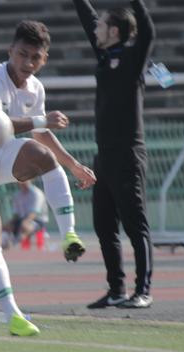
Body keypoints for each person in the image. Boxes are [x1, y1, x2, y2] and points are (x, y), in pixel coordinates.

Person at [0, 20, 96, 336]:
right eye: (22, 54)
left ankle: (69, 235)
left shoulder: (35, 89)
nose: (27, 63)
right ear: (10, 51)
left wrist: (73, 166)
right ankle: (13, 314)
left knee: (41, 155)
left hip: (1, 155)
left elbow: (41, 135)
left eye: (35, 58)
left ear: (44, 60)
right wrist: (42, 119)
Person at [73, 0, 156, 309]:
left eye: (101, 25)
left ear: (115, 30)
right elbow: (87, 18)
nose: (96, 28)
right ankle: (116, 289)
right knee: (104, 226)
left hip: (128, 155)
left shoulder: (133, 58)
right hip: (104, 156)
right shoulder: (105, 56)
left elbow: (148, 32)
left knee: (136, 226)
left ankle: (143, 290)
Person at [3, 180, 50, 249]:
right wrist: (9, 223)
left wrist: (26, 221)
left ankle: (15, 243)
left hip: (38, 220)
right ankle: (3, 242)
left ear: (30, 180)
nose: (22, 182)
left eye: (25, 180)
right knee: (6, 226)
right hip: (22, 218)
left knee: (25, 226)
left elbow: (35, 212)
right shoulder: (17, 195)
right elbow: (16, 213)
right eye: (20, 180)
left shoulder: (37, 193)